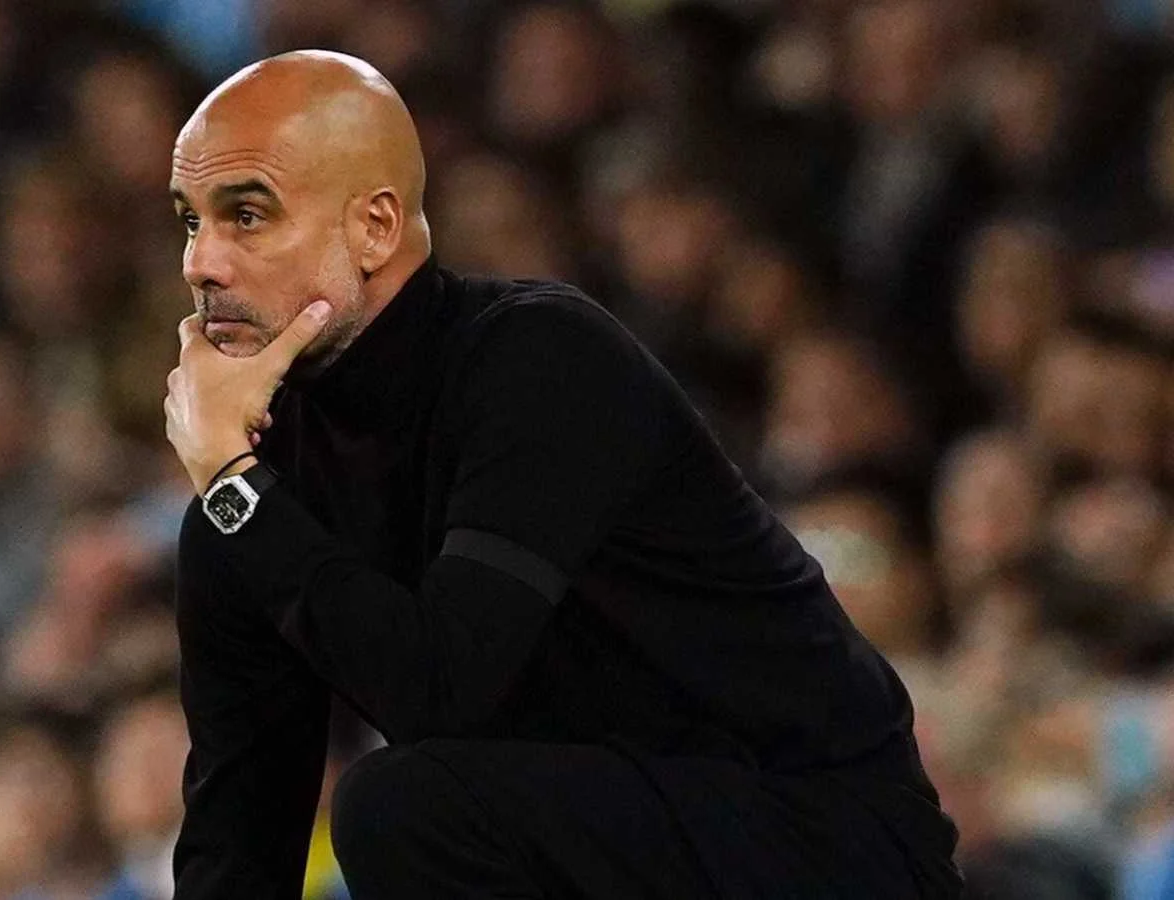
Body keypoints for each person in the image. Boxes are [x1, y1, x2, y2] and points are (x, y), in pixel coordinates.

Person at [162, 50, 962, 899]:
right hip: (602, 849)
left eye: (247, 215)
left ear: (376, 227)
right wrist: (236, 493)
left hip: (827, 844)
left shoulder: (540, 361)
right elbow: (237, 837)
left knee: (401, 808)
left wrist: (234, 485)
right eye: (189, 221)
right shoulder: (253, 493)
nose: (200, 263)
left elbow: (440, 689)